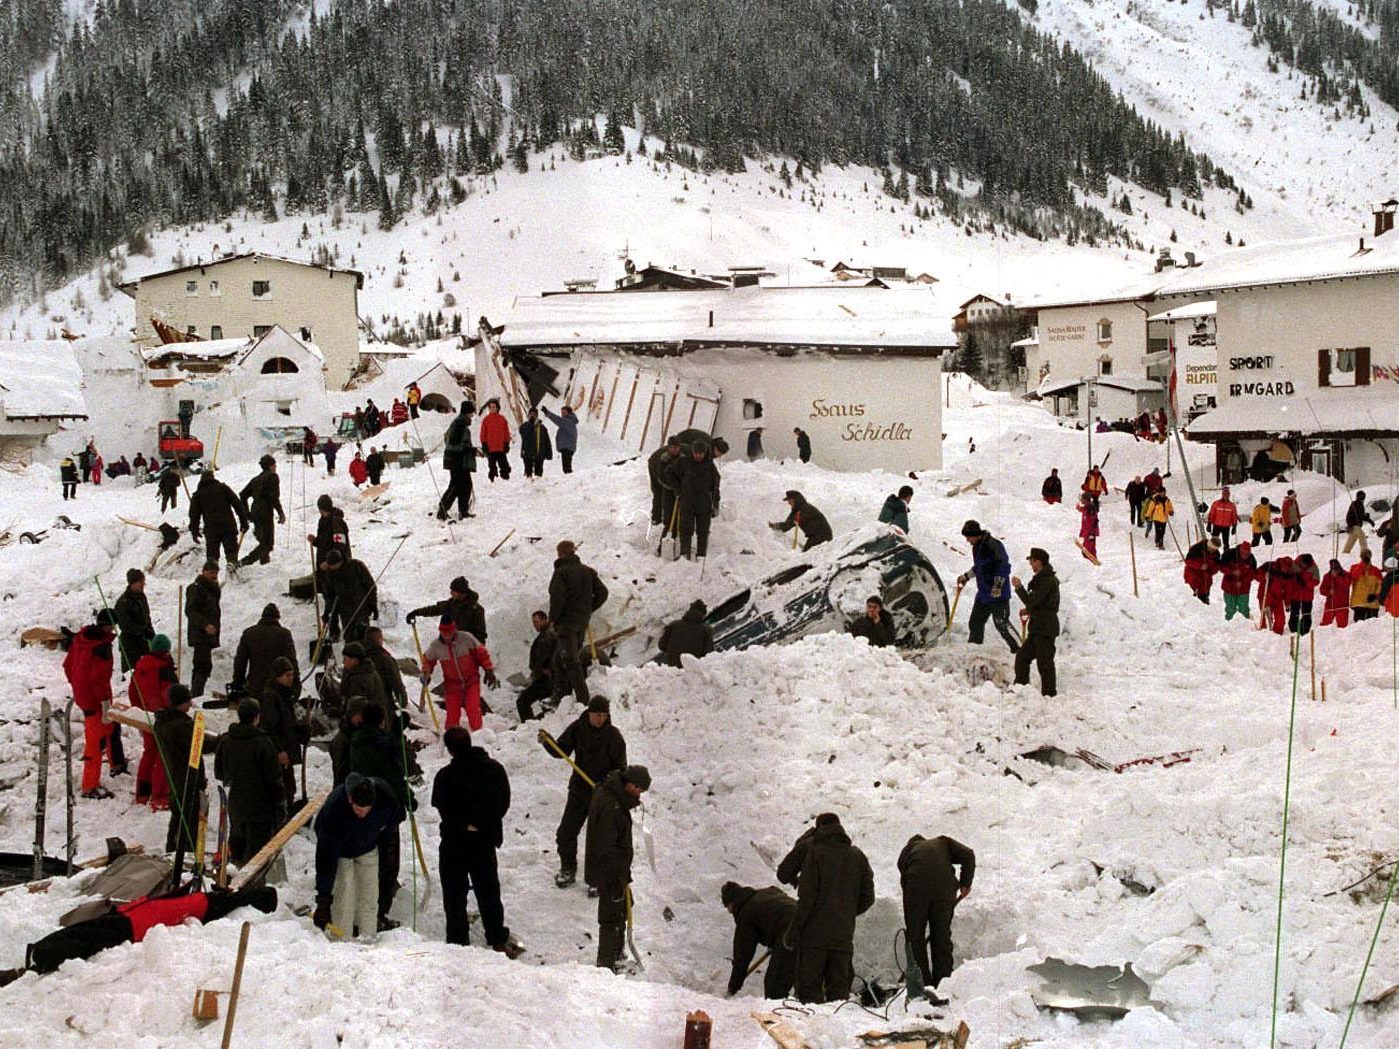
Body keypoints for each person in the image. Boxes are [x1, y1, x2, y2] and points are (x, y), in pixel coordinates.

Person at [10, 886, 277, 980]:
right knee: (80, 934)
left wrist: (253, 898)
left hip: (131, 926)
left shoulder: (203, 904)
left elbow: (230, 901)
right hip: (128, 916)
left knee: (82, 939)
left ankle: (38, 963)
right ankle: (37, 958)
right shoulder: (198, 899)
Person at [432, 726, 521, 955]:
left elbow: (444, 810)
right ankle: (496, 936)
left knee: (454, 895)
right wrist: (485, 823)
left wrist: (464, 825)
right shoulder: (495, 770)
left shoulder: (445, 776)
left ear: (450, 751)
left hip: (454, 843)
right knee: (489, 891)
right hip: (484, 841)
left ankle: (458, 941)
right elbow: (504, 802)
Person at [787, 812, 875, 1004]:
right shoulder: (857, 855)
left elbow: (806, 897)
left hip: (813, 937)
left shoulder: (814, 851)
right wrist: (847, 912)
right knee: (839, 996)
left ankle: (813, 1033)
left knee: (809, 994)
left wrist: (794, 931)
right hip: (842, 936)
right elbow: (868, 897)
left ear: (818, 828)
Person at [541, 695, 626, 888]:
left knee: (600, 840)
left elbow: (621, 768)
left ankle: (597, 878)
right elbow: (560, 750)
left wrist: (607, 784)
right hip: (579, 791)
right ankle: (568, 868)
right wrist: (548, 742)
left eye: (604, 715)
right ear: (589, 713)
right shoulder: (577, 729)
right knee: (565, 833)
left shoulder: (614, 736)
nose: (601, 719)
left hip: (602, 795)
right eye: (597, 715)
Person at [313, 772, 404, 940]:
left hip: (368, 847)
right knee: (343, 897)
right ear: (350, 800)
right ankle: (342, 941)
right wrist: (323, 900)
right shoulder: (334, 812)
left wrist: (387, 846)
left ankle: (368, 938)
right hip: (341, 852)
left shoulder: (385, 797)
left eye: (366, 810)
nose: (362, 814)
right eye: (357, 809)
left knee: (369, 896)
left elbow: (394, 820)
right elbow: (326, 858)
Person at [348, 702, 409, 930]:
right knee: (387, 866)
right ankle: (377, 914)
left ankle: (360, 911)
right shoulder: (383, 746)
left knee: (366, 861)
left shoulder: (357, 742)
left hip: (363, 810)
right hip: (385, 812)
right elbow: (393, 774)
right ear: (382, 721)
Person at [585, 764, 651, 972]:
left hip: (616, 870)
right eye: (639, 790)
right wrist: (616, 875)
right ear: (630, 785)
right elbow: (607, 845)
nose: (640, 795)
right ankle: (606, 965)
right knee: (611, 917)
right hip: (610, 872)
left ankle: (618, 953)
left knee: (622, 909)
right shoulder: (611, 805)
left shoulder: (612, 795)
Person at [898, 833, 975, 1002]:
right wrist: (965, 883)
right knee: (941, 936)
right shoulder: (943, 842)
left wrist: (913, 904)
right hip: (944, 890)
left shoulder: (909, 849)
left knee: (915, 938)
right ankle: (943, 985)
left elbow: (903, 873)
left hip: (916, 889)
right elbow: (968, 855)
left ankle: (921, 988)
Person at [214, 698, 284, 865]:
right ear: (257, 717)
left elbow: (219, 772)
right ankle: (251, 887)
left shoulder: (226, 741)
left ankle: (234, 882)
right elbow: (273, 777)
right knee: (257, 856)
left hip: (236, 805)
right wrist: (280, 803)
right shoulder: (262, 743)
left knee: (237, 849)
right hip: (260, 808)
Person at [66, 609, 119, 800]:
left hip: (83, 695)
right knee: (95, 744)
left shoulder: (80, 639)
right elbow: (100, 679)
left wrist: (78, 685)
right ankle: (89, 785)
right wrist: (105, 704)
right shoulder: (102, 647)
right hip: (96, 701)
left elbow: (67, 665)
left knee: (100, 737)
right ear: (108, 626)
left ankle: (94, 779)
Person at [549, 540, 609, 705]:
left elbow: (557, 599)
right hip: (581, 623)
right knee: (558, 660)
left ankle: (583, 700)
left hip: (566, 624)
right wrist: (588, 610)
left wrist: (553, 619)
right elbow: (603, 593)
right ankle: (558, 696)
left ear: (561, 553)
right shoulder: (588, 571)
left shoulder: (561, 573)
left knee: (571, 661)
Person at [154, 685, 211, 854]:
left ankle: (172, 851)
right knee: (190, 822)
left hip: (176, 778)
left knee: (178, 819)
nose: (190, 704)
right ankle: (186, 855)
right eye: (187, 700)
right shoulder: (180, 727)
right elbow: (202, 744)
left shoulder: (163, 722)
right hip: (187, 779)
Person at [721, 881, 797, 999]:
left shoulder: (746, 914)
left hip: (790, 933)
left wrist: (733, 987)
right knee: (806, 982)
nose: (729, 911)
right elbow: (779, 907)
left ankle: (777, 1015)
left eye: (728, 907)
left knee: (775, 986)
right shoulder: (768, 892)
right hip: (810, 921)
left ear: (733, 902)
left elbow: (742, 956)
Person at [421, 616, 498, 731]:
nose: (447, 636)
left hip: (471, 681)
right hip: (452, 685)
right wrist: (426, 673)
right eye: (444, 633)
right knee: (452, 715)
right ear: (440, 631)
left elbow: (482, 653)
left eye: (449, 632)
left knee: (473, 710)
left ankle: (479, 736)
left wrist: (489, 669)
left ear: (454, 630)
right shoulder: (436, 646)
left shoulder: (466, 638)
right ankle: (451, 740)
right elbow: (427, 660)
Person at [956, 520, 1019, 653]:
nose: (967, 540)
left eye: (968, 537)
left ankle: (1020, 649)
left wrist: (997, 586)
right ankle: (974, 649)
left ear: (975, 534)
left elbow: (1003, 567)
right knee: (975, 622)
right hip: (984, 593)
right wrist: (966, 576)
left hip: (998, 594)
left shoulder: (993, 545)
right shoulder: (977, 547)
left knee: (1001, 624)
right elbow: (979, 567)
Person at [129, 634, 175, 807]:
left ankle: (142, 792)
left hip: (145, 716)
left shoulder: (140, 666)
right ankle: (160, 796)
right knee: (163, 756)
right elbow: (169, 695)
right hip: (162, 717)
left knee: (149, 753)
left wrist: (139, 710)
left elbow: (133, 692)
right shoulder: (164, 669)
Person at [1012, 547, 1059, 696]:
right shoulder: (1043, 579)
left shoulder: (1047, 581)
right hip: (1038, 627)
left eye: (1032, 562)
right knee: (1022, 657)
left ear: (1038, 562)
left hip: (1045, 628)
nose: (1031, 565)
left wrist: (1019, 588)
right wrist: (1030, 610)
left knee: (1044, 663)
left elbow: (1032, 601)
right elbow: (1038, 603)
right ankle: (1021, 688)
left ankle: (1050, 694)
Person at [260, 656, 305, 809]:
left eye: (292, 674)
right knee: (283, 788)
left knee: (289, 787)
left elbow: (287, 724)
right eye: (287, 675)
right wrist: (279, 750)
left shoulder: (285, 695)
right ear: (277, 676)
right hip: (278, 754)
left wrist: (301, 732)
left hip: (285, 750)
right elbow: (269, 726)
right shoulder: (271, 697)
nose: (291, 678)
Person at [665, 438, 721, 560]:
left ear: (705, 453)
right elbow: (669, 472)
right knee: (686, 529)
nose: (698, 456)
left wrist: (715, 502)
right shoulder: (684, 462)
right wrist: (677, 489)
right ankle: (685, 554)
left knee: (703, 531)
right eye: (696, 453)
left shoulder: (710, 466)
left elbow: (716, 485)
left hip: (704, 504)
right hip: (687, 502)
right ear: (692, 452)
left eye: (701, 453)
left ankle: (701, 555)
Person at [230, 602, 297, 700]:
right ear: (277, 618)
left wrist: (238, 683)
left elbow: (240, 662)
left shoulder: (249, 634)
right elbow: (292, 662)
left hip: (254, 689)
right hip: (277, 690)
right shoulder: (284, 635)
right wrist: (295, 687)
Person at [188, 471, 249, 569]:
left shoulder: (198, 494)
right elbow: (238, 505)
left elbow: (194, 515)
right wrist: (244, 522)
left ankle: (211, 574)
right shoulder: (223, 488)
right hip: (228, 526)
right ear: (213, 478)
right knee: (231, 551)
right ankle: (232, 567)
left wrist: (194, 531)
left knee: (212, 556)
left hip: (211, 530)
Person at [407, 576, 489, 641]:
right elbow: (435, 609)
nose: (451, 593)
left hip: (467, 650)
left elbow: (480, 635)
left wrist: (479, 655)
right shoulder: (452, 604)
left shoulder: (476, 610)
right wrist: (416, 612)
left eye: (453, 591)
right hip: (452, 647)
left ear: (460, 592)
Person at [321, 549, 376, 643]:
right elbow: (329, 595)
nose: (332, 567)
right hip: (345, 610)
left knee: (363, 635)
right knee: (349, 637)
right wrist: (327, 612)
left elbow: (370, 586)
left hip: (360, 606)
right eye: (330, 566)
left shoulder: (357, 566)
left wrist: (373, 604)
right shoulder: (329, 573)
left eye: (334, 565)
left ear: (341, 561)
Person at [238, 455, 285, 566]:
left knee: (263, 540)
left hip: (255, 512)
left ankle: (265, 563)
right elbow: (274, 497)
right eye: (274, 465)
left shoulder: (256, 479)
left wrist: (248, 514)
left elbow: (242, 495)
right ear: (270, 466)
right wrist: (280, 512)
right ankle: (244, 562)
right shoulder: (272, 477)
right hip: (265, 513)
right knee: (268, 544)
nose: (276, 467)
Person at [185, 560, 222, 697]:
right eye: (211, 572)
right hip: (200, 634)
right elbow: (190, 611)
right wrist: (205, 625)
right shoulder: (197, 588)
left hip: (206, 635)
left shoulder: (210, 589)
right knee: (203, 666)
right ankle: (195, 696)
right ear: (204, 572)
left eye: (216, 573)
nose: (214, 575)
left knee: (201, 666)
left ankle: (195, 695)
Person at [436, 399, 477, 521]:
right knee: (455, 486)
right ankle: (442, 511)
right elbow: (453, 443)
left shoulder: (461, 423)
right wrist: (467, 449)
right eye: (471, 413)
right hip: (456, 460)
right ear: (467, 412)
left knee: (465, 485)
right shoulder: (459, 423)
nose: (472, 415)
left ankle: (463, 511)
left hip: (459, 460)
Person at [516, 612, 559, 722]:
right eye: (533, 623)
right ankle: (534, 725)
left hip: (546, 679)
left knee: (522, 701)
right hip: (549, 678)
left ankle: (528, 726)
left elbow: (542, 660)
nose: (535, 625)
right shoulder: (546, 635)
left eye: (536, 622)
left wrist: (536, 675)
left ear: (545, 620)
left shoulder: (546, 637)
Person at [113, 568, 154, 674]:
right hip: (130, 645)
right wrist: (142, 630)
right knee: (132, 674)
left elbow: (146, 616)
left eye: (143, 581)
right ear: (132, 583)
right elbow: (125, 625)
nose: (143, 584)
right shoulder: (123, 602)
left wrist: (150, 629)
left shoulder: (142, 597)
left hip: (144, 642)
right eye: (140, 582)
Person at [659, 600, 714, 665]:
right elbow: (709, 653)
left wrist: (674, 650)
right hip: (693, 670)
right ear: (703, 614)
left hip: (673, 668)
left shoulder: (674, 625)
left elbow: (661, 645)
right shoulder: (706, 629)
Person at [648, 436, 682, 537]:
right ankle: (664, 543)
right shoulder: (663, 459)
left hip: (680, 493)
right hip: (668, 492)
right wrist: (674, 488)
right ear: (668, 447)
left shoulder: (684, 458)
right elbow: (662, 478)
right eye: (672, 447)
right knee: (668, 518)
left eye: (676, 447)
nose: (674, 449)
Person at [308, 493, 352, 566]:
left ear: (320, 509)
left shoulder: (336, 522)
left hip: (336, 568)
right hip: (326, 566)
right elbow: (324, 542)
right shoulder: (323, 520)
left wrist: (331, 562)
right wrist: (314, 541)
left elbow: (340, 546)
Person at [1219, 542, 1257, 622]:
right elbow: (1221, 567)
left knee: (1244, 609)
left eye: (1247, 554)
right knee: (1230, 608)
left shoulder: (1251, 559)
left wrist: (1242, 582)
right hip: (1229, 586)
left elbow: (1252, 574)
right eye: (1243, 553)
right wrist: (1232, 571)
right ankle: (1229, 625)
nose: (1245, 556)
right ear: (1240, 550)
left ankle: (1245, 625)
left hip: (1244, 588)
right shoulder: (1229, 554)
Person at [479, 398, 513, 481]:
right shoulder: (486, 420)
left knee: (504, 464)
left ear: (497, 408)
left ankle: (505, 477)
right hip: (490, 448)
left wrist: (506, 443)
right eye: (490, 407)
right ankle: (493, 478)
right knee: (492, 466)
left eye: (493, 407)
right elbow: (483, 433)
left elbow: (506, 432)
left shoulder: (502, 419)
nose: (491, 409)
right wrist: (484, 444)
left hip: (500, 447)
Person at [1289, 553, 1320, 636]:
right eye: (1303, 564)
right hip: (1295, 594)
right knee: (1294, 612)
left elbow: (1316, 581)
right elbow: (1288, 576)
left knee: (1306, 613)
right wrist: (1295, 577)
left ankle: (1305, 630)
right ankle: (1293, 629)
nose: (1304, 566)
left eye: (1306, 565)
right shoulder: (1294, 564)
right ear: (1301, 561)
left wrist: (1306, 584)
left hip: (1307, 595)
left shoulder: (1314, 567)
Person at [542, 404, 579, 474]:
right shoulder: (569, 422)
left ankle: (570, 480)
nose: (562, 414)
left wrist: (547, 413)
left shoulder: (568, 421)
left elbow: (557, 419)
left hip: (567, 447)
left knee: (567, 468)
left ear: (569, 413)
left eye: (564, 413)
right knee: (566, 466)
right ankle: (569, 479)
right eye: (562, 413)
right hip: (567, 447)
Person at [518, 407, 554, 479]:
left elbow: (547, 441)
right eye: (531, 414)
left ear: (537, 415)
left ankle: (538, 487)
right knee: (528, 474)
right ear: (528, 415)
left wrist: (549, 453)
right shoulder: (524, 426)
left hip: (539, 453)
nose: (532, 416)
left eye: (534, 414)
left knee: (539, 474)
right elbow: (523, 434)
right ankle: (528, 486)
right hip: (527, 454)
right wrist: (530, 424)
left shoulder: (542, 427)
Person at [1183, 537, 1221, 604]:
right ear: (1209, 545)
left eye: (1214, 549)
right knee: (1191, 596)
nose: (1212, 551)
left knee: (1204, 596)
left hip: (1206, 577)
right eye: (1211, 549)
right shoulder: (1197, 548)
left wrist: (1210, 569)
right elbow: (1188, 561)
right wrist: (1200, 566)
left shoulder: (1217, 554)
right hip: (1193, 574)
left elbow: (1217, 567)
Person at [1350, 550, 1383, 622]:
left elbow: (1380, 585)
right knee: (1358, 628)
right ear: (1361, 557)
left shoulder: (1376, 570)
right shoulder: (1354, 567)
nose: (1365, 557)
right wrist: (1362, 564)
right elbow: (1354, 577)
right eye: (1363, 556)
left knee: (1372, 627)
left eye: (1367, 556)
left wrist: (1375, 595)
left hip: (1372, 603)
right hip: (1359, 603)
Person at [1319, 558, 1351, 629]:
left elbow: (1346, 585)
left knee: (1342, 628)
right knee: (1324, 626)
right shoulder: (1327, 577)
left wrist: (1337, 577)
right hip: (1330, 605)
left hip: (1342, 606)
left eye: (1337, 568)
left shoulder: (1346, 575)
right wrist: (1328, 592)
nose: (1336, 570)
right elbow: (1321, 590)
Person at [1343, 490, 1374, 555]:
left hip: (1356, 526)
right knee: (1362, 538)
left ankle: (1345, 552)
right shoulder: (1355, 504)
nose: (1363, 498)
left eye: (1363, 496)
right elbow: (1349, 515)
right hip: (1354, 525)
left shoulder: (1360, 505)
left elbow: (1361, 516)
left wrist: (1369, 520)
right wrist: (1350, 525)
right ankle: (1365, 554)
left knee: (1351, 541)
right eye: (1362, 496)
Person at [1077, 493, 1100, 559]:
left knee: (1089, 549)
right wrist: (1079, 508)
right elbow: (1084, 509)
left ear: (1085, 499)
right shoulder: (1087, 507)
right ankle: (1090, 561)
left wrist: (1091, 533)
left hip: (1090, 532)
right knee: (1086, 548)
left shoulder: (1090, 508)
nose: (1081, 500)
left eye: (1082, 499)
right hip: (1087, 532)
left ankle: (1092, 561)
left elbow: (1092, 522)